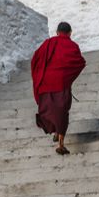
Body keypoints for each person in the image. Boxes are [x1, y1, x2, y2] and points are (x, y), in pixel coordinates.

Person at [30, 21, 86, 155]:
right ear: (70, 33)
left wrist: (39, 76)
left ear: (57, 33)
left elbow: (35, 60)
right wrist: (67, 77)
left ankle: (56, 132)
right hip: (61, 84)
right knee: (62, 112)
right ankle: (61, 144)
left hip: (45, 83)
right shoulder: (72, 46)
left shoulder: (47, 44)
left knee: (49, 109)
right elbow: (80, 63)